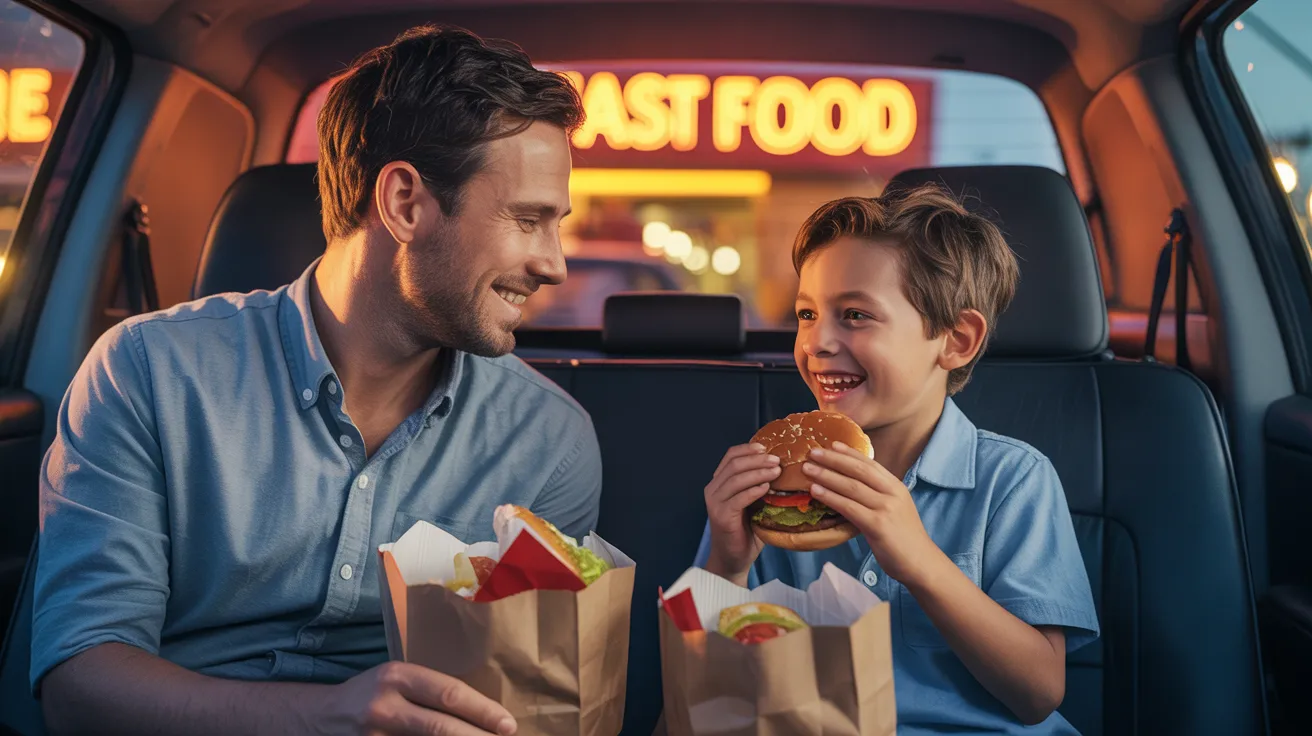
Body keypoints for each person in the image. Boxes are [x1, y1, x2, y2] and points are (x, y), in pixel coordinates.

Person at [32, 25, 600, 736]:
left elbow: (529, 696)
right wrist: (322, 716)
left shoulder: (550, 441)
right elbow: (80, 682)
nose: (553, 264)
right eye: (527, 220)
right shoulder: (149, 373)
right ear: (404, 203)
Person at [697, 184, 1099, 734]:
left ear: (956, 340)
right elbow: (706, 694)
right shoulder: (774, 491)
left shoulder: (1013, 480)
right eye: (807, 314)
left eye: (856, 314)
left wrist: (919, 561)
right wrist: (727, 562)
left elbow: (1038, 693)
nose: (817, 342)